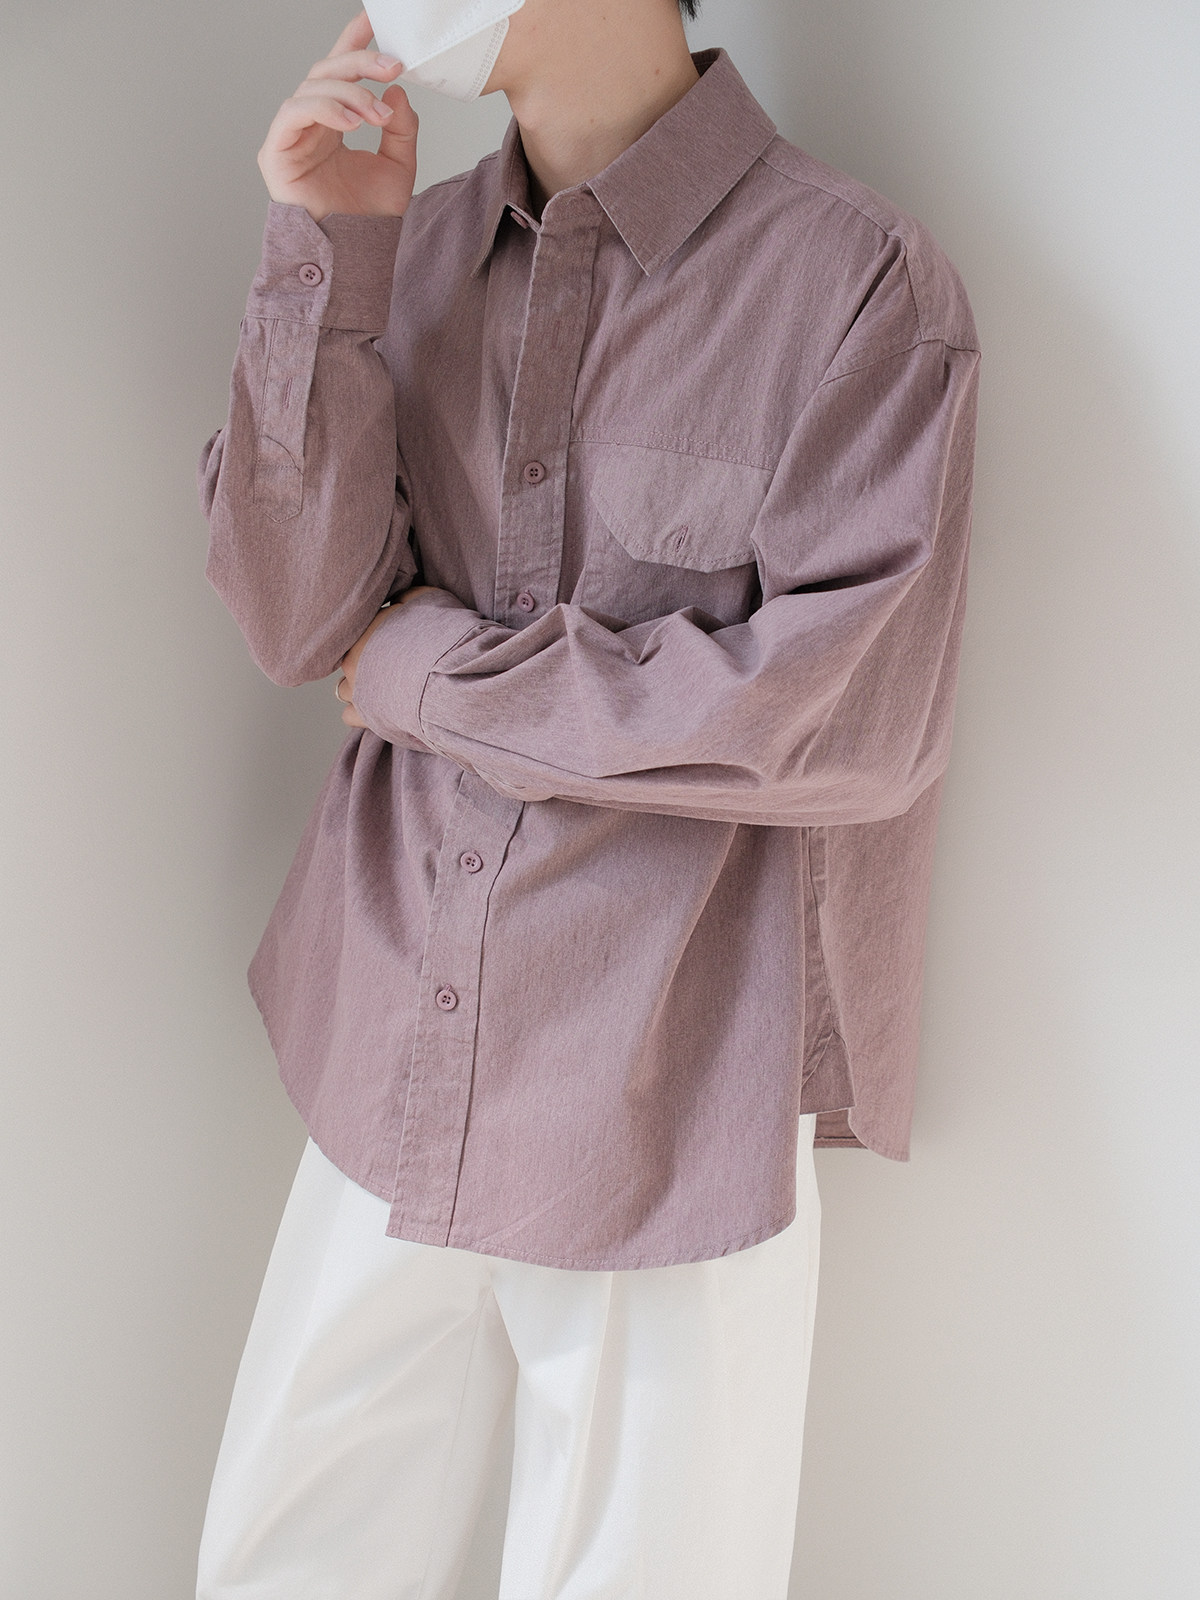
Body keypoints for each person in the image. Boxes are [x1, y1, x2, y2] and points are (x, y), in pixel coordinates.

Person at [193, 1, 981, 1595]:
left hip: (668, 1085)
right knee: (285, 1561)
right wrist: (323, 260)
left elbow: (849, 714)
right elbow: (293, 622)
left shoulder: (854, 284)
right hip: (394, 1028)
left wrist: (428, 674)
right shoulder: (407, 251)